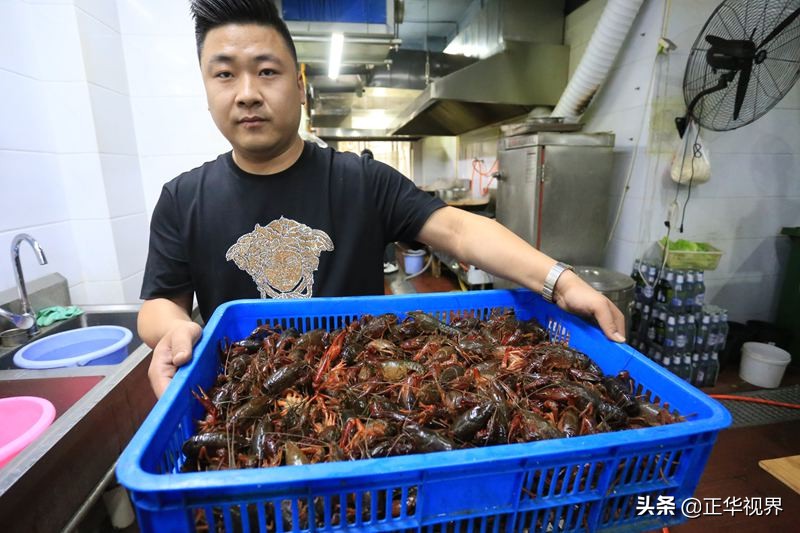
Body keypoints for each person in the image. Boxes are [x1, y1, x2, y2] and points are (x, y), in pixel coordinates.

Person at [139, 0, 626, 398]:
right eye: (224, 75)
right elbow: (160, 302)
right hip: (247, 394)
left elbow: (458, 229)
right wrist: (175, 330)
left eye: (267, 71)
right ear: (206, 90)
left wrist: (559, 281)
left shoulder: (361, 180)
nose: (246, 93)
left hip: (363, 394)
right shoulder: (183, 199)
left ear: (301, 85)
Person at [360, 148, 400, 274]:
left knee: (381, 239)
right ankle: (388, 262)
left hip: (375, 212)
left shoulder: (361, 172)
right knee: (385, 239)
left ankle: (389, 263)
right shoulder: (380, 170)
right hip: (383, 211)